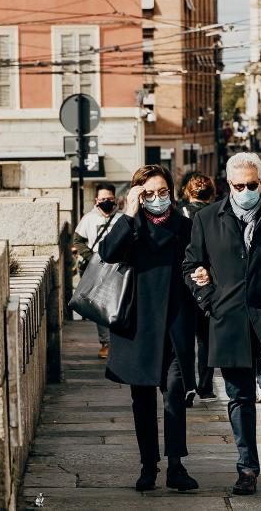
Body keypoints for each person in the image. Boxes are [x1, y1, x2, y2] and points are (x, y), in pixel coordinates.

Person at [183, 152, 261, 496]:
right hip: (229, 321)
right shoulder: (208, 218)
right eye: (238, 185)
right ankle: (247, 469)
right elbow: (191, 266)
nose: (245, 191)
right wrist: (208, 298)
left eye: (251, 185)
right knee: (239, 397)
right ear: (228, 185)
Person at [97, 165, 199, 493]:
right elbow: (107, 252)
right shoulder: (130, 226)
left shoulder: (185, 226)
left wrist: (202, 276)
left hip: (174, 325)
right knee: (141, 401)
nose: (157, 199)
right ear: (139, 195)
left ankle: (176, 466)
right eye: (149, 194)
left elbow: (198, 262)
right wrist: (128, 212)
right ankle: (148, 466)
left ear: (172, 192)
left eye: (163, 192)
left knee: (174, 397)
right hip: (137, 327)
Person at [179, 174, 218, 404]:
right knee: (205, 339)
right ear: (211, 193)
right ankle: (206, 387)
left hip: (184, 281)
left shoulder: (177, 213)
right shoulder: (216, 215)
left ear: (187, 192)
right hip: (206, 283)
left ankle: (187, 386)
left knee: (184, 339)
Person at [72, 183, 121, 360]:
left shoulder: (121, 219)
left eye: (109, 199)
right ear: (96, 200)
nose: (106, 202)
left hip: (118, 267)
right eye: (102, 199)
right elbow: (77, 241)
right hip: (97, 268)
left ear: (115, 199)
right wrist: (91, 256)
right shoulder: (88, 219)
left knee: (119, 305)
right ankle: (106, 343)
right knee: (101, 307)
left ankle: (118, 342)